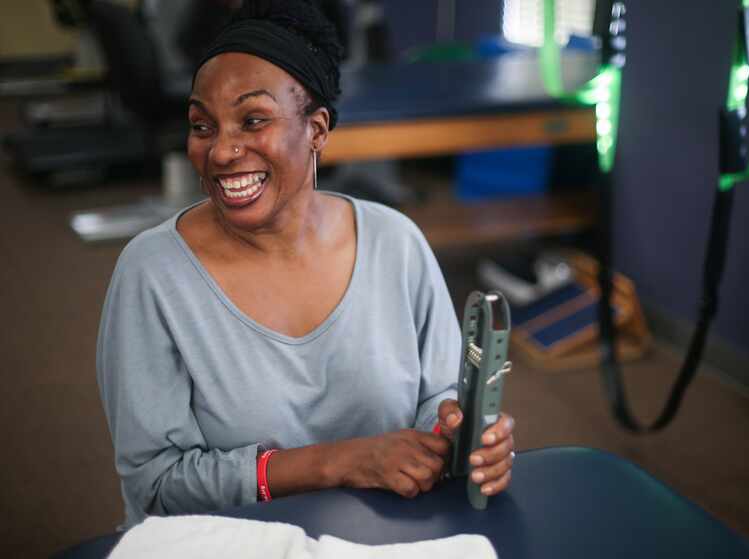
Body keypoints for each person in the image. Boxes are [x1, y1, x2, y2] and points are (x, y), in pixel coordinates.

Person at [97, 0, 514, 529]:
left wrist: (464, 435)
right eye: (203, 126)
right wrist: (340, 463)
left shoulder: (396, 242)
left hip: (377, 534)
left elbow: (438, 397)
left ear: (317, 129)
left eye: (252, 120)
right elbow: (155, 485)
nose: (221, 151)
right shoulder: (152, 274)